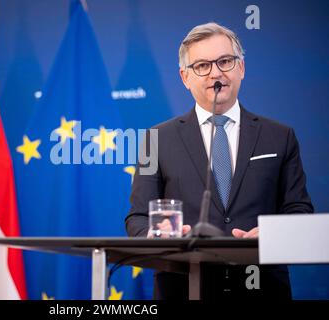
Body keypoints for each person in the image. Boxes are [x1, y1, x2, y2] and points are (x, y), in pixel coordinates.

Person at [125, 22, 314, 300]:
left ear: (241, 68)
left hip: (262, 286)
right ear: (184, 77)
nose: (216, 73)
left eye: (225, 61)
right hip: (184, 287)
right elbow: (138, 217)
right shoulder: (155, 139)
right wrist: (155, 234)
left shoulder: (280, 137)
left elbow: (300, 211)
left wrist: (274, 233)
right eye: (202, 65)